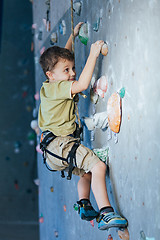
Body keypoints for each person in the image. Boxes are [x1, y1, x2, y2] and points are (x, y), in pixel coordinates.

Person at [38, 22, 128, 230]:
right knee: (98, 166)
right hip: (60, 145)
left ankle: (84, 204)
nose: (72, 73)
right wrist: (93, 54)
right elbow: (82, 85)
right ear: (50, 75)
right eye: (67, 70)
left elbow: (62, 59)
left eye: (73, 69)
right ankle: (106, 212)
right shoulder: (58, 87)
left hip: (54, 152)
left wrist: (72, 36)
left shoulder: (49, 86)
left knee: (87, 173)